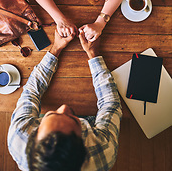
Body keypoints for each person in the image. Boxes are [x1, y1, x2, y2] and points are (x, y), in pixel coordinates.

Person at [7, 29, 122, 171]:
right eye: (75, 120)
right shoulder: (103, 153)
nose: (64, 107)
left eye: (52, 114)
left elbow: (31, 92)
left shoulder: (18, 135)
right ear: (84, 147)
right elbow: (111, 105)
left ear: (33, 133)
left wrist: (56, 48)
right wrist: (93, 54)